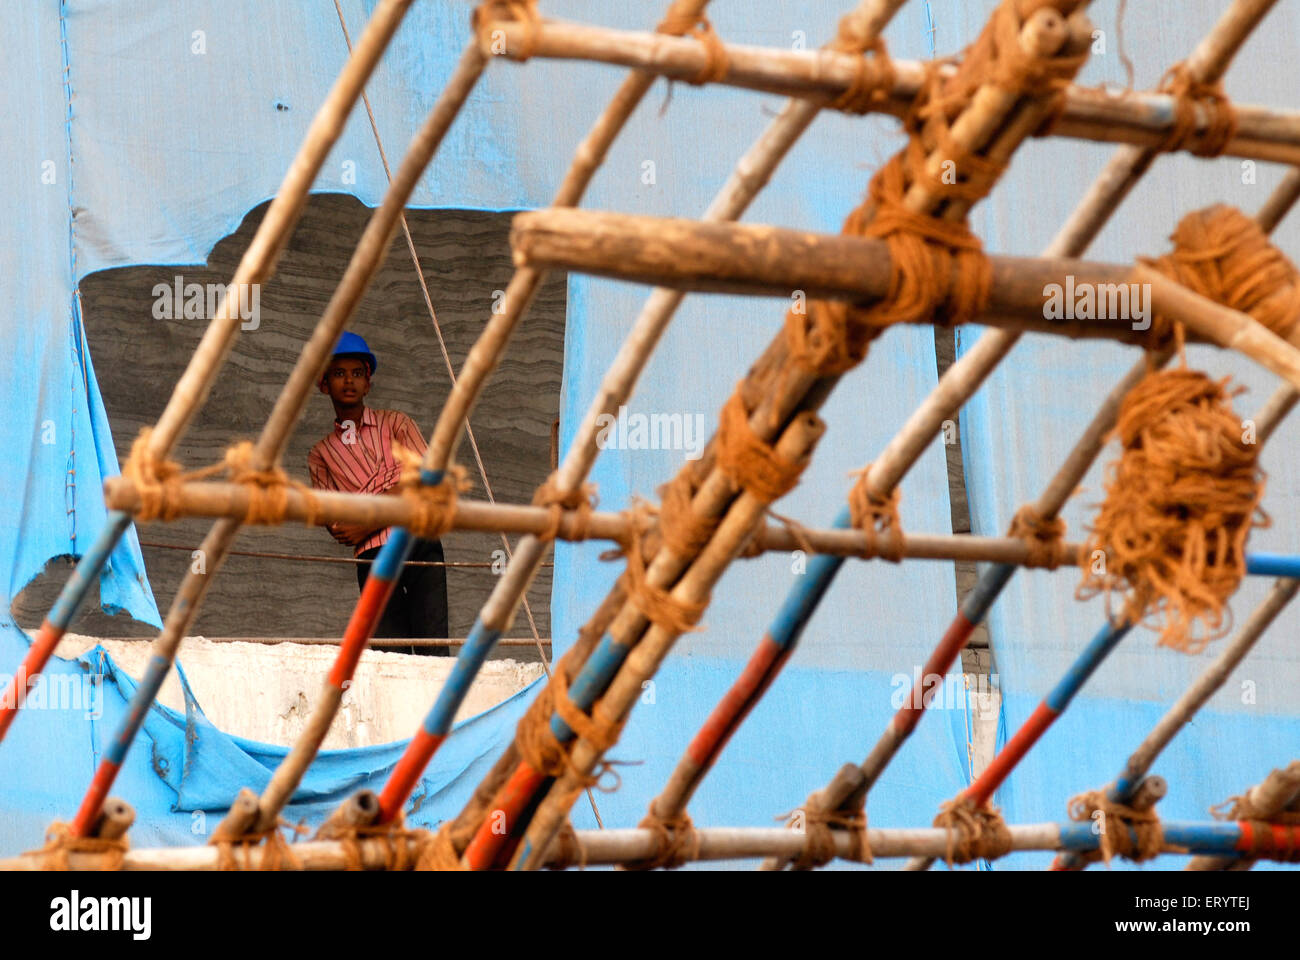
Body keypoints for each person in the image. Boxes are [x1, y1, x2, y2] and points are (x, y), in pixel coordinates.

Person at [307, 331, 450, 655]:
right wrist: (397, 489)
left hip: (419, 541)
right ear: (324, 383)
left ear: (368, 383)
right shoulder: (320, 454)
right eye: (339, 373)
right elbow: (338, 525)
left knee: (434, 650)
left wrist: (366, 517)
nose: (349, 381)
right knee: (390, 658)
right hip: (372, 558)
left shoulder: (396, 424)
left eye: (357, 373)